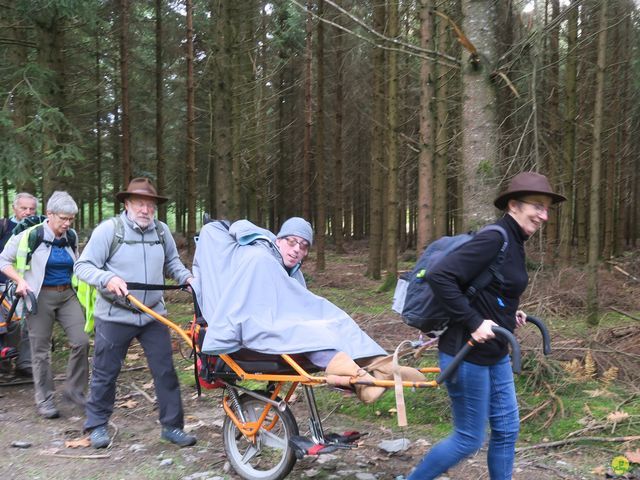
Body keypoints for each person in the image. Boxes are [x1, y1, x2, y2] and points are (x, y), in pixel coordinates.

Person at [407, 172, 566, 480]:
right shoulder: (495, 238)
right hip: (465, 353)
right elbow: (441, 277)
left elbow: (494, 287)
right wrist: (474, 321)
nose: (544, 215)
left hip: (495, 352)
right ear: (513, 205)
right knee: (468, 438)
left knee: (507, 430)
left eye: (547, 208)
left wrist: (511, 313)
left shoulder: (516, 240)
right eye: (537, 206)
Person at [193, 217, 425, 404]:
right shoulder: (260, 258)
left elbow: (298, 305)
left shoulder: (293, 273)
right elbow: (250, 304)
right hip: (255, 330)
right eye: (292, 242)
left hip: (279, 325)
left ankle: (385, 368)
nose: (296, 250)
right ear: (279, 239)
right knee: (314, 333)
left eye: (303, 247)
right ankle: (359, 381)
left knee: (337, 321)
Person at [74, 177, 196, 449]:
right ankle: (96, 426)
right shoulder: (110, 230)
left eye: (150, 205)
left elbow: (173, 263)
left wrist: (188, 279)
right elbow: (82, 266)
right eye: (140, 204)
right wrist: (107, 278)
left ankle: (172, 427)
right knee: (106, 372)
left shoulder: (162, 232)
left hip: (153, 315)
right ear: (127, 203)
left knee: (165, 371)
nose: (145, 210)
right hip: (115, 314)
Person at [0, 191, 90, 418]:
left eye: (71, 219)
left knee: (81, 341)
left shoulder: (71, 236)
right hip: (38, 297)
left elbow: (77, 264)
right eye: (63, 218)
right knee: (40, 352)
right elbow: (3, 260)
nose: (67, 223)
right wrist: (20, 280)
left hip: (68, 295)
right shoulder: (30, 235)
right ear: (49, 214)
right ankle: (45, 400)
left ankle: (74, 390)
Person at [0, 192, 38, 377]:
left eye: (32, 208)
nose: (28, 212)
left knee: (28, 323)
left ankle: (25, 363)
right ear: (15, 208)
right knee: (7, 324)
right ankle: (4, 363)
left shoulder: (40, 228)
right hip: (3, 284)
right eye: (24, 208)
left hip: (29, 284)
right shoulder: (4, 227)